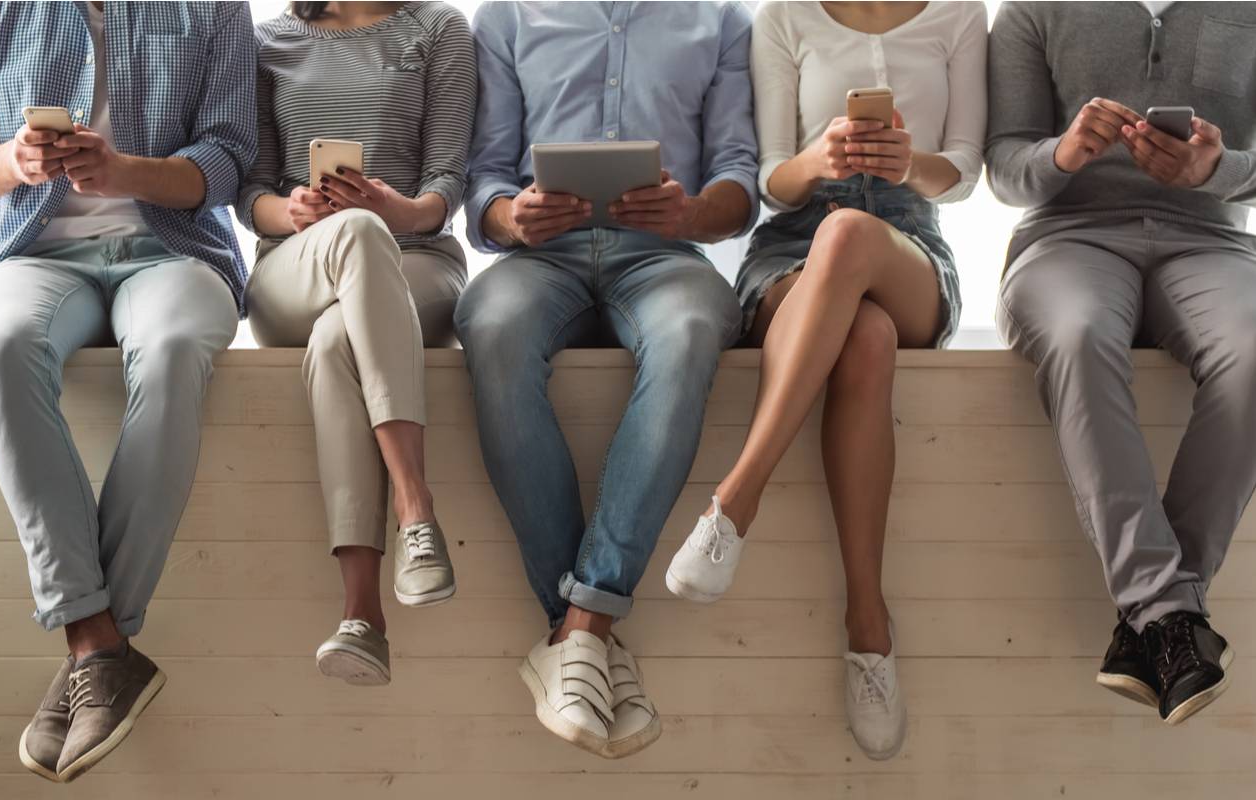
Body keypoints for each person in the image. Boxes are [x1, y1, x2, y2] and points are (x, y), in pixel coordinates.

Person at [663, 0, 986, 760]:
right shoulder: (785, 17)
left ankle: (734, 501)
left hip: (907, 245)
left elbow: (967, 170)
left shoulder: (960, 15)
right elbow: (775, 179)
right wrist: (821, 160)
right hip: (792, 250)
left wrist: (908, 165)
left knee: (852, 236)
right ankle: (868, 631)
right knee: (864, 339)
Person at [0, 0, 256, 783]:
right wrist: (14, 163)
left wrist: (125, 172)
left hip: (173, 251)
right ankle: (98, 643)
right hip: (35, 255)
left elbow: (229, 161)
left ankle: (95, 650)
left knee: (174, 346)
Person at [455, 1, 758, 759]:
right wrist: (508, 217)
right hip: (538, 261)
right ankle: (582, 632)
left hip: (664, 258)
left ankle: (579, 628)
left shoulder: (720, 20)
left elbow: (739, 182)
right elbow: (486, 180)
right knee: (490, 327)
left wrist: (688, 212)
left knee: (691, 334)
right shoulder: (506, 18)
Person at [987, 0, 1256, 725]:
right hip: (1066, 240)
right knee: (1076, 337)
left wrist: (1215, 167)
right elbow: (1006, 168)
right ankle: (1172, 617)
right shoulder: (1031, 11)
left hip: (1210, 241)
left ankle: (1160, 619)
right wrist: (1063, 153)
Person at [235, 0, 476, 686]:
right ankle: (414, 504)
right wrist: (295, 211)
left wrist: (389, 207)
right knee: (356, 239)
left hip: (418, 261)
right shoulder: (267, 40)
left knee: (341, 333)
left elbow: (447, 184)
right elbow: (249, 190)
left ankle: (362, 615)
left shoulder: (439, 30)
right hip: (295, 270)